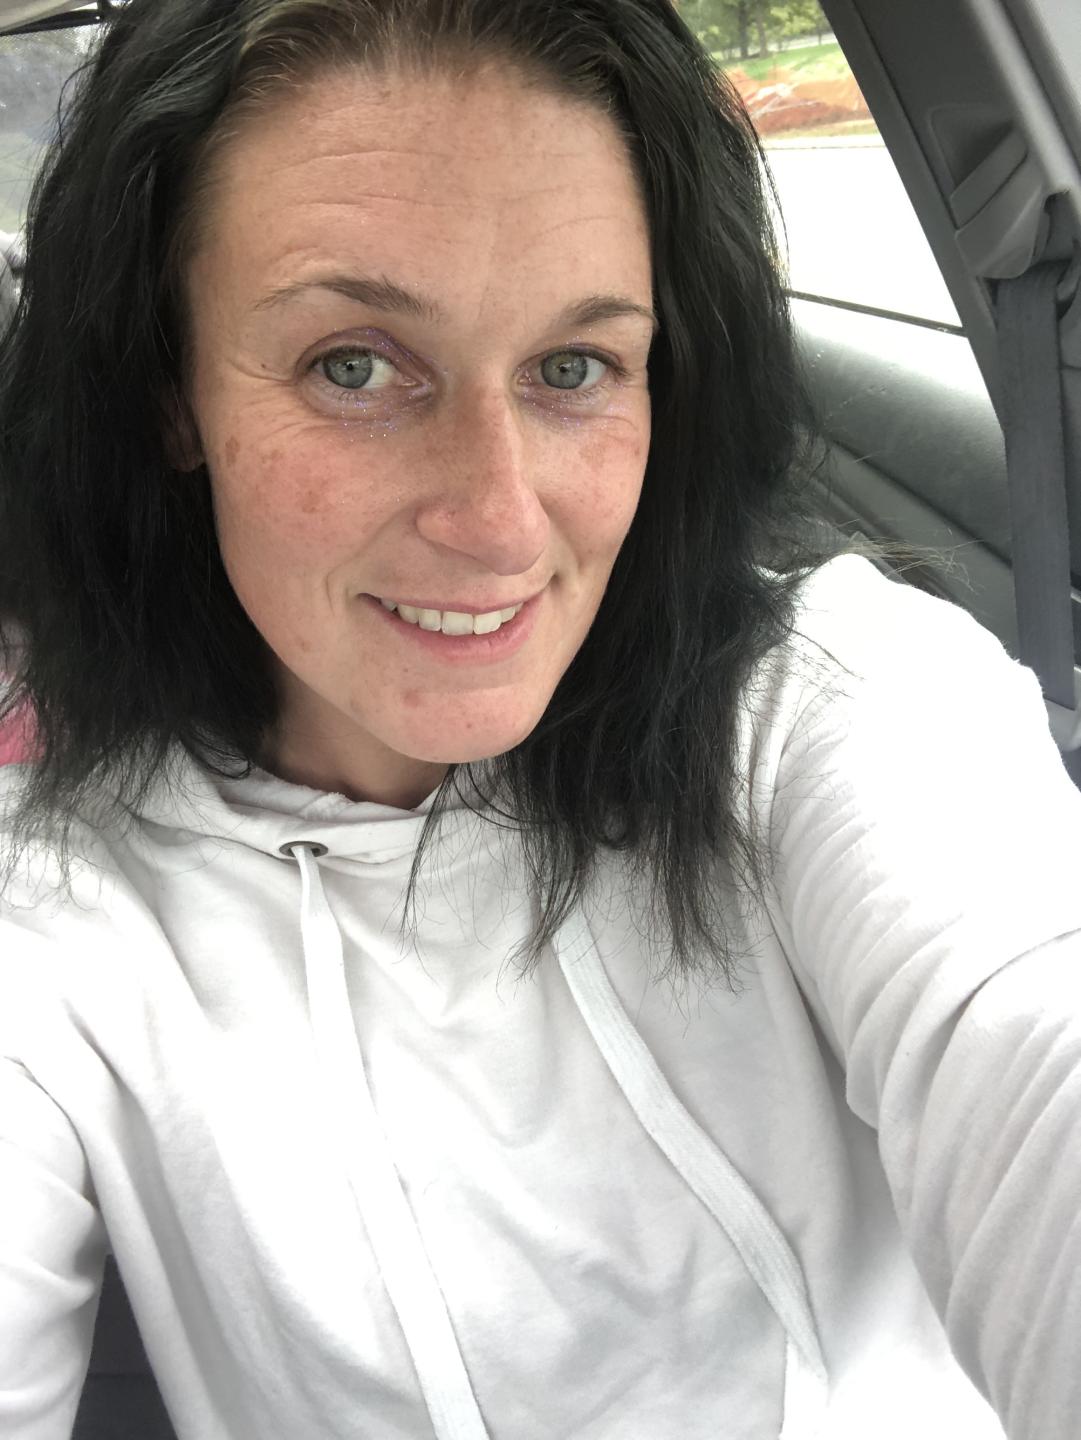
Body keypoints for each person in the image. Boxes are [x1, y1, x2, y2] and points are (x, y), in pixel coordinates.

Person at [0, 2, 1078, 1437]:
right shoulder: (48, 900)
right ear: (170, 391)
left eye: (575, 368)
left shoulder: (836, 703)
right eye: (354, 365)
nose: (503, 523)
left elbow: (1033, 1027)